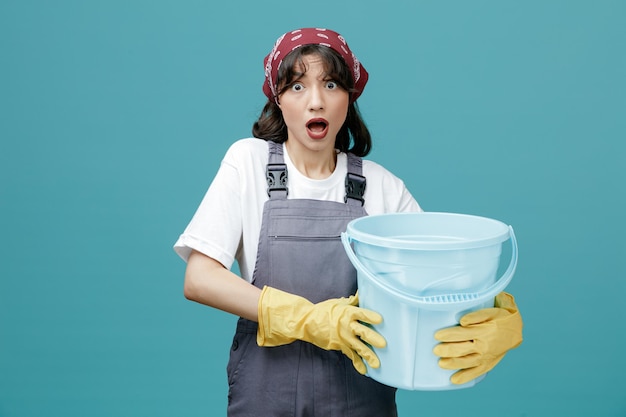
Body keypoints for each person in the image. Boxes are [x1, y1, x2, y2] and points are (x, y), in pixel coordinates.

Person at [174, 28, 523, 417]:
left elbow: (435, 285)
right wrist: (308, 318)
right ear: (278, 99)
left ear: (349, 97)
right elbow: (200, 277)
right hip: (264, 396)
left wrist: (499, 314)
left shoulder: (383, 187)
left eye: (331, 84)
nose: (316, 102)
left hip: (360, 400)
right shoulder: (248, 163)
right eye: (297, 87)